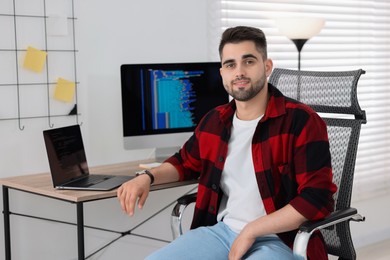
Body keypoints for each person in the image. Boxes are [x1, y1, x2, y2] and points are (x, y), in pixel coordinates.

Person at [117, 26, 337, 260]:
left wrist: (252, 230)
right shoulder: (215, 121)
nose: (239, 72)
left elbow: (316, 197)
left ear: (267, 66)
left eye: (249, 61)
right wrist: (147, 178)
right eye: (230, 65)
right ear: (222, 72)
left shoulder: (301, 121)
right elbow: (184, 163)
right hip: (222, 233)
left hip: (281, 239)